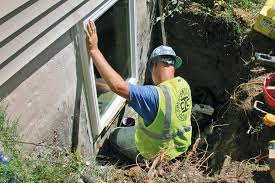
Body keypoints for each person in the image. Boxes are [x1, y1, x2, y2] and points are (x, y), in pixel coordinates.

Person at [85, 20, 192, 161]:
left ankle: (140, 159)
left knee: (115, 135)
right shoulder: (183, 84)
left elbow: (118, 86)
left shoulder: (152, 96)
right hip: (179, 147)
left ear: (154, 66)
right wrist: (102, 85)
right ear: (173, 66)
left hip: (156, 154)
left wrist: (93, 50)